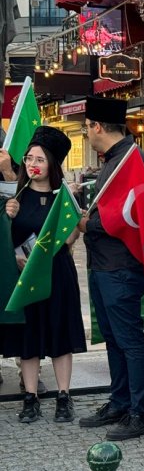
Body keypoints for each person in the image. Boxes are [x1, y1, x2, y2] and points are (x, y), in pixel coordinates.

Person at [77, 96, 144, 441]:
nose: (86, 132)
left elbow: (135, 212)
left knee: (129, 340)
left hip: (121, 266)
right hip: (103, 265)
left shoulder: (132, 159)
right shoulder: (114, 158)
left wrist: (87, 225)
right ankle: (120, 401)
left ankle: (141, 413)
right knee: (113, 338)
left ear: (97, 126)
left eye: (86, 126)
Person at [1, 126, 86, 423]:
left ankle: (64, 397)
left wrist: (75, 226)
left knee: (61, 332)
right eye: (28, 158)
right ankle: (30, 398)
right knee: (28, 336)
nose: (32, 165)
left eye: (39, 159)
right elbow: (5, 241)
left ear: (52, 163)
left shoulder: (64, 198)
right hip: (25, 276)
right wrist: (6, 217)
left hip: (57, 273)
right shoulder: (14, 199)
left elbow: (74, 235)